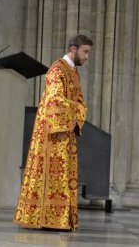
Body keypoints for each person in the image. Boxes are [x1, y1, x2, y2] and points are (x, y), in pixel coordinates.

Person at [13, 34, 93, 231]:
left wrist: (76, 112)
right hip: (52, 133)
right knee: (50, 176)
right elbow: (55, 101)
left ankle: (59, 219)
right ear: (73, 49)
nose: (87, 57)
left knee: (64, 177)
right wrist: (75, 110)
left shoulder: (73, 73)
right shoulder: (56, 70)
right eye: (85, 52)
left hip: (66, 132)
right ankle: (45, 219)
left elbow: (82, 103)